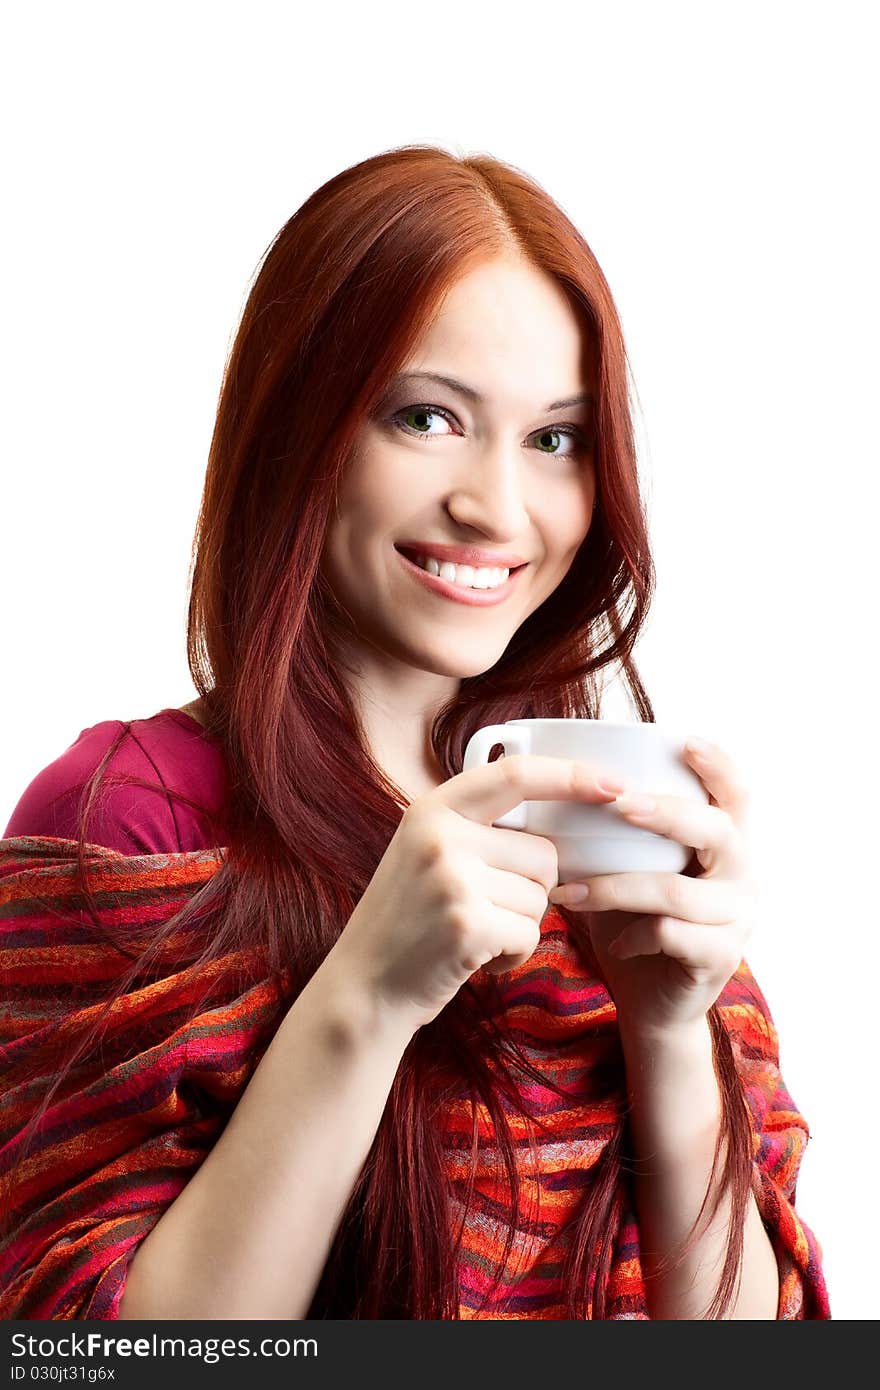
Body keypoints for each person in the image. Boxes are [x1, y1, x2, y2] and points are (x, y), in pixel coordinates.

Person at [0, 144, 830, 1321]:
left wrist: (669, 1031)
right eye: (428, 417)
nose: (497, 506)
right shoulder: (131, 815)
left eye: (555, 438)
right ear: (303, 428)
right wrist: (369, 993)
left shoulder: (602, 813)